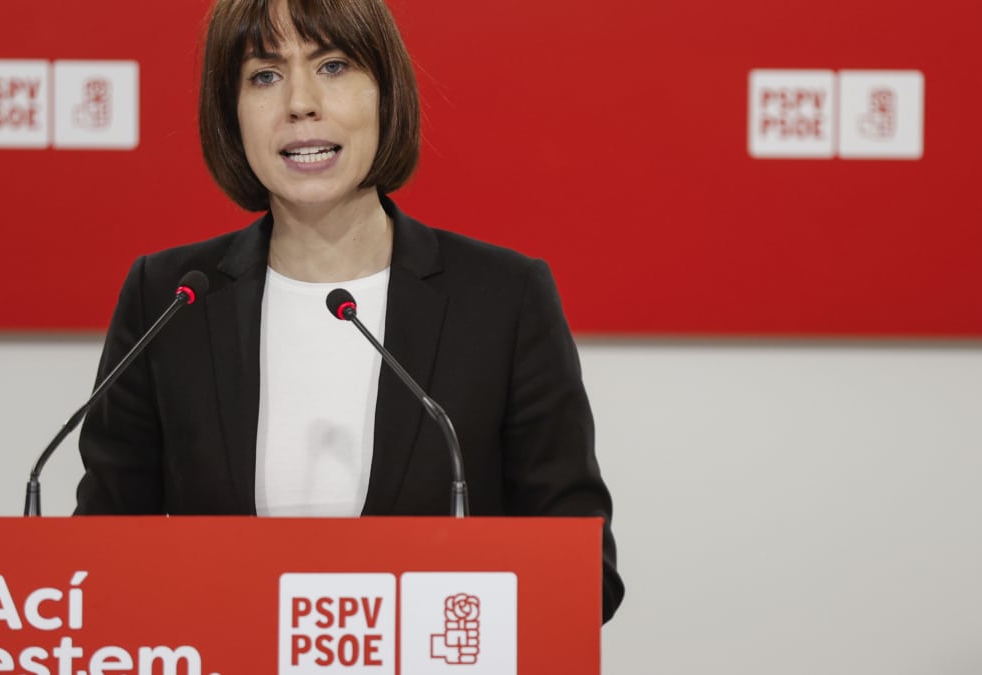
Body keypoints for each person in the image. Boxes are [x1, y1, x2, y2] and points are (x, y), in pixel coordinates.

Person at [74, 0, 625, 622]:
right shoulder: (170, 298)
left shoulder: (504, 299)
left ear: (385, 94)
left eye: (333, 66)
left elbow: (584, 575)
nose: (300, 102)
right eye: (264, 75)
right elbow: (100, 558)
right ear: (230, 114)